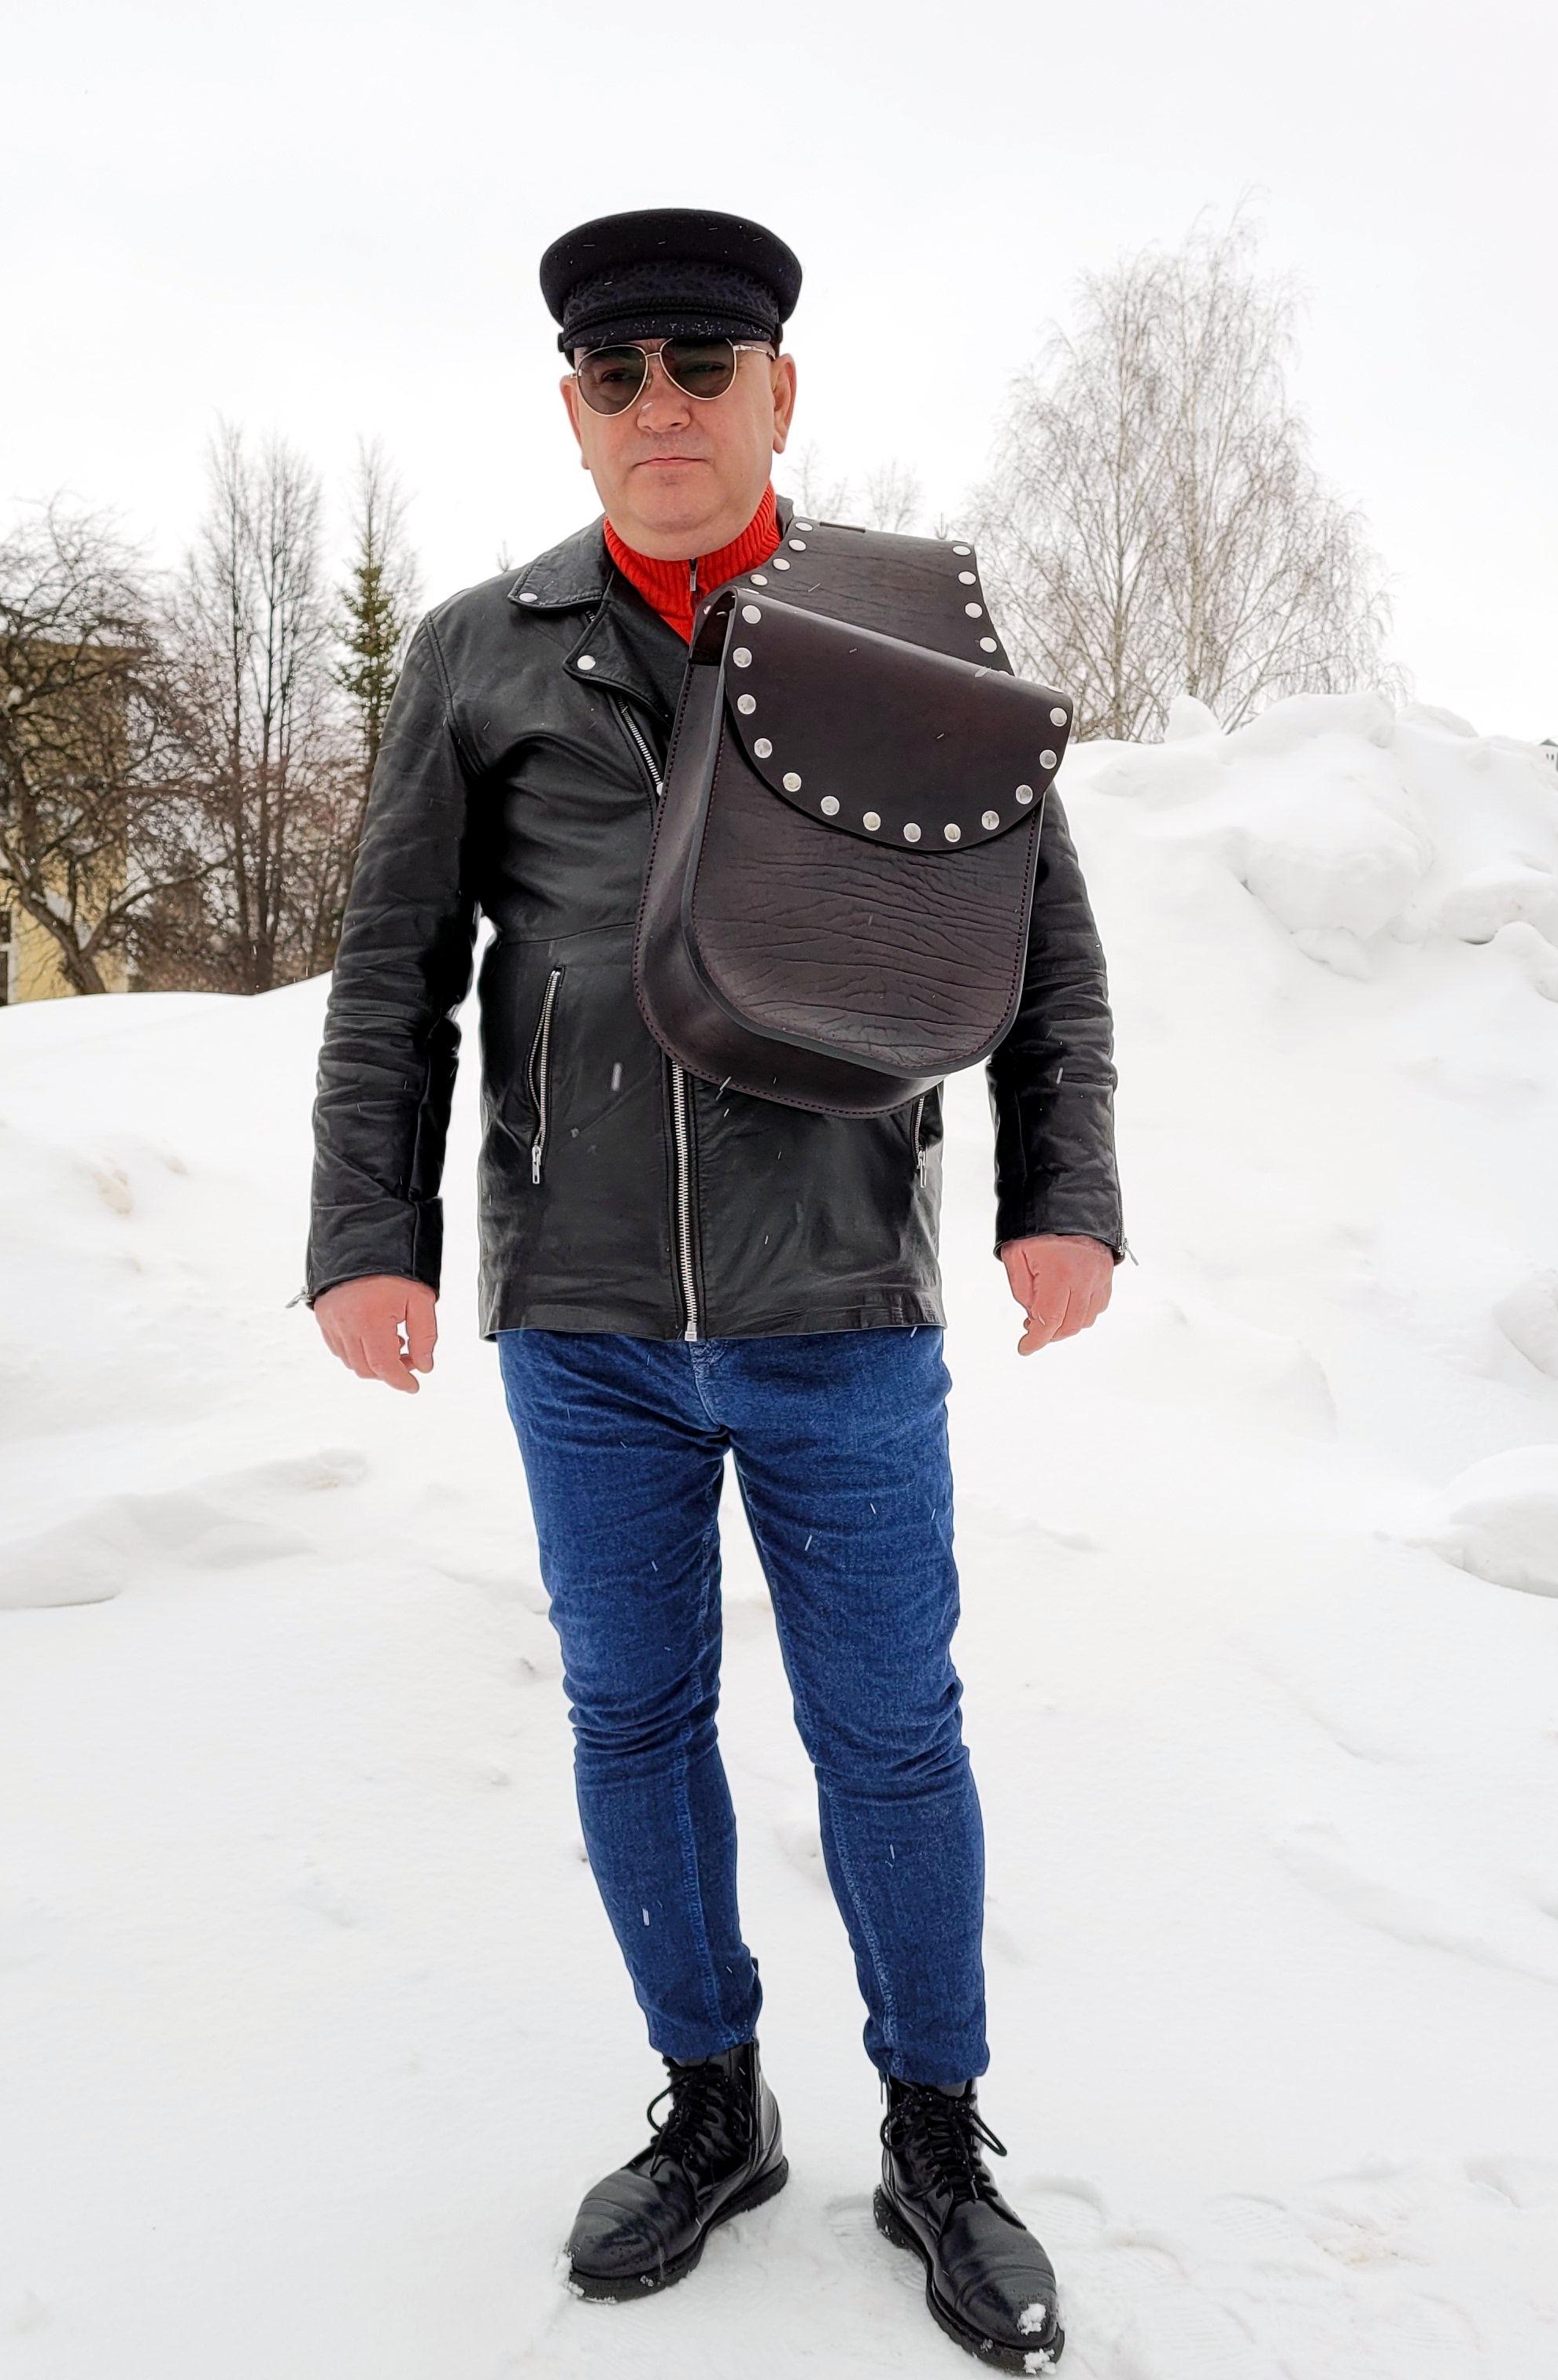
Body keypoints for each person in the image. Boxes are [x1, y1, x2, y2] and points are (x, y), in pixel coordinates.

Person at [305, 207, 1121, 2372]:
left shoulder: (898, 634)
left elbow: (1041, 946)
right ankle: (714, 2102)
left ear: (781, 391)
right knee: (632, 1716)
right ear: (573, 410)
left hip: (839, 1303)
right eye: (618, 375)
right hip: (583, 1321)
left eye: (701, 365)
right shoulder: (481, 652)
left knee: (889, 1731)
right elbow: (394, 971)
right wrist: (368, 1234)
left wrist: (1064, 1190)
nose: (659, 406)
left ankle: (934, 2136)